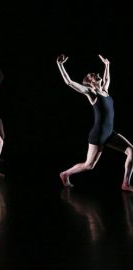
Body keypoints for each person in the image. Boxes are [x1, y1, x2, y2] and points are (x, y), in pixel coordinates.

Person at [57, 54, 133, 191]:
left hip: (109, 133)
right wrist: (60, 65)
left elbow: (107, 78)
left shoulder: (105, 90)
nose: (96, 74)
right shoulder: (91, 93)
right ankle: (65, 173)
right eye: (92, 75)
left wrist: (107, 65)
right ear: (89, 82)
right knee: (89, 165)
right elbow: (69, 82)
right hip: (98, 135)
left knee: (131, 151)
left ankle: (125, 184)